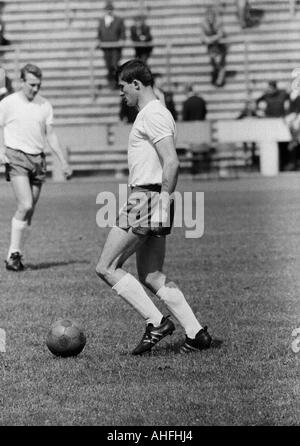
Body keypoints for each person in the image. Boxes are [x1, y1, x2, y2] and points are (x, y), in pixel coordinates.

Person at [95, 59, 212, 355]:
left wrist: (160, 201)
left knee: (106, 267)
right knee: (152, 276)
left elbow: (171, 160)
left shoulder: (152, 114)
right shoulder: (156, 112)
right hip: (152, 198)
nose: (122, 95)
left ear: (136, 84)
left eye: (123, 88)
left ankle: (156, 322)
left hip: (146, 199)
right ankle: (196, 334)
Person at [0, 63, 72, 272]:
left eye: (38, 85)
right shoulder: (8, 103)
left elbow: (50, 134)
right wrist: (1, 150)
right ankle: (13, 254)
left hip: (38, 159)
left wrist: (63, 161)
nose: (35, 89)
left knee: (29, 212)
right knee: (25, 205)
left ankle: (17, 256)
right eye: (31, 84)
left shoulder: (44, 105)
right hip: (16, 157)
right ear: (21, 82)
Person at [96, 1, 126, 89]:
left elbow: (123, 32)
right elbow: (99, 33)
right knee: (108, 65)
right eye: (107, 9)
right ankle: (111, 82)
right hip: (106, 47)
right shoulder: (102, 20)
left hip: (115, 47)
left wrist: (122, 40)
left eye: (110, 9)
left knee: (114, 65)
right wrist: (98, 40)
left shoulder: (118, 20)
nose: (109, 11)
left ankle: (117, 82)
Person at [201, 6, 227, 87]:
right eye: (208, 16)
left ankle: (220, 79)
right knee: (214, 62)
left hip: (221, 44)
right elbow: (202, 36)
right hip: (211, 46)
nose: (210, 18)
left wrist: (210, 39)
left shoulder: (219, 22)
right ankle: (217, 77)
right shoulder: (203, 24)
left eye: (211, 16)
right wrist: (207, 39)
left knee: (219, 61)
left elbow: (220, 34)